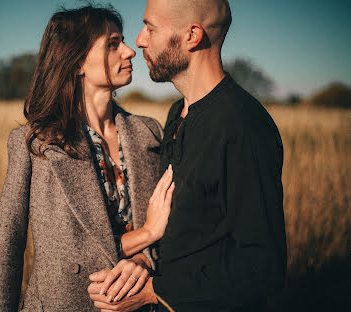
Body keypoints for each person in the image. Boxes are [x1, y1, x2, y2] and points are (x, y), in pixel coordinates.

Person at [88, 0, 287, 311]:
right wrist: (142, 259)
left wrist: (154, 291)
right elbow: (181, 231)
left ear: (192, 35)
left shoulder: (243, 126)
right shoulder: (176, 115)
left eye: (150, 28)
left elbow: (263, 267)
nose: (139, 40)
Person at [0, 5, 175, 312]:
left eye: (123, 41)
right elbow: (8, 248)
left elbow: (175, 228)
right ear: (77, 62)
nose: (129, 52)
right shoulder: (34, 144)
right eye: (113, 44)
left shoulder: (149, 133)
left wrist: (145, 258)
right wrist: (147, 234)